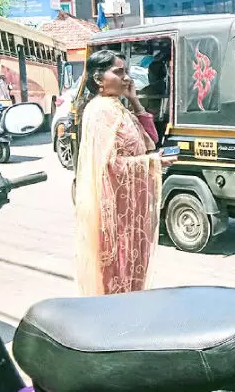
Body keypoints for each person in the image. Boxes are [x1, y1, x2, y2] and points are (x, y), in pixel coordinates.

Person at [74, 50, 176, 296]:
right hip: (116, 208)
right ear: (99, 79)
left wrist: (135, 101)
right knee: (118, 268)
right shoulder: (99, 111)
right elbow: (108, 165)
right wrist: (151, 163)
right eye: (119, 72)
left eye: (126, 72)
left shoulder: (118, 107)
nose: (126, 78)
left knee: (133, 265)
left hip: (132, 206)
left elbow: (151, 140)